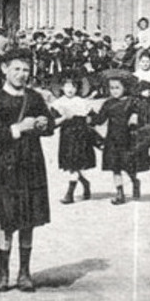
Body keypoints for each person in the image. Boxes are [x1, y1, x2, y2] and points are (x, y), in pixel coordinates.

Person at [0, 48, 55, 292]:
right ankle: (2, 273)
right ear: (4, 69)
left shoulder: (34, 97)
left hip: (32, 165)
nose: (22, 74)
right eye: (16, 69)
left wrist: (45, 124)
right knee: (6, 221)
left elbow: (49, 124)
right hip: (6, 168)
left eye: (26, 70)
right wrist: (19, 127)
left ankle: (24, 272)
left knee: (28, 221)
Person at [87, 70, 150, 204]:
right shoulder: (108, 104)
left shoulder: (131, 102)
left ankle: (134, 181)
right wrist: (91, 116)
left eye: (117, 88)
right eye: (111, 88)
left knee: (128, 166)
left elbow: (143, 114)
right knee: (115, 167)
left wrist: (135, 116)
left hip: (128, 138)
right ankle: (120, 193)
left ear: (125, 88)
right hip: (112, 139)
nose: (114, 91)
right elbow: (100, 120)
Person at [50, 73, 97, 204]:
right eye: (67, 86)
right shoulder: (58, 103)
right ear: (62, 88)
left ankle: (69, 195)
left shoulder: (82, 102)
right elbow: (52, 123)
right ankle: (85, 184)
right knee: (71, 166)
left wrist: (88, 119)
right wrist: (64, 117)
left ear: (77, 88)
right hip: (67, 137)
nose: (70, 89)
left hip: (81, 137)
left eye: (73, 86)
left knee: (75, 165)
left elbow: (94, 118)